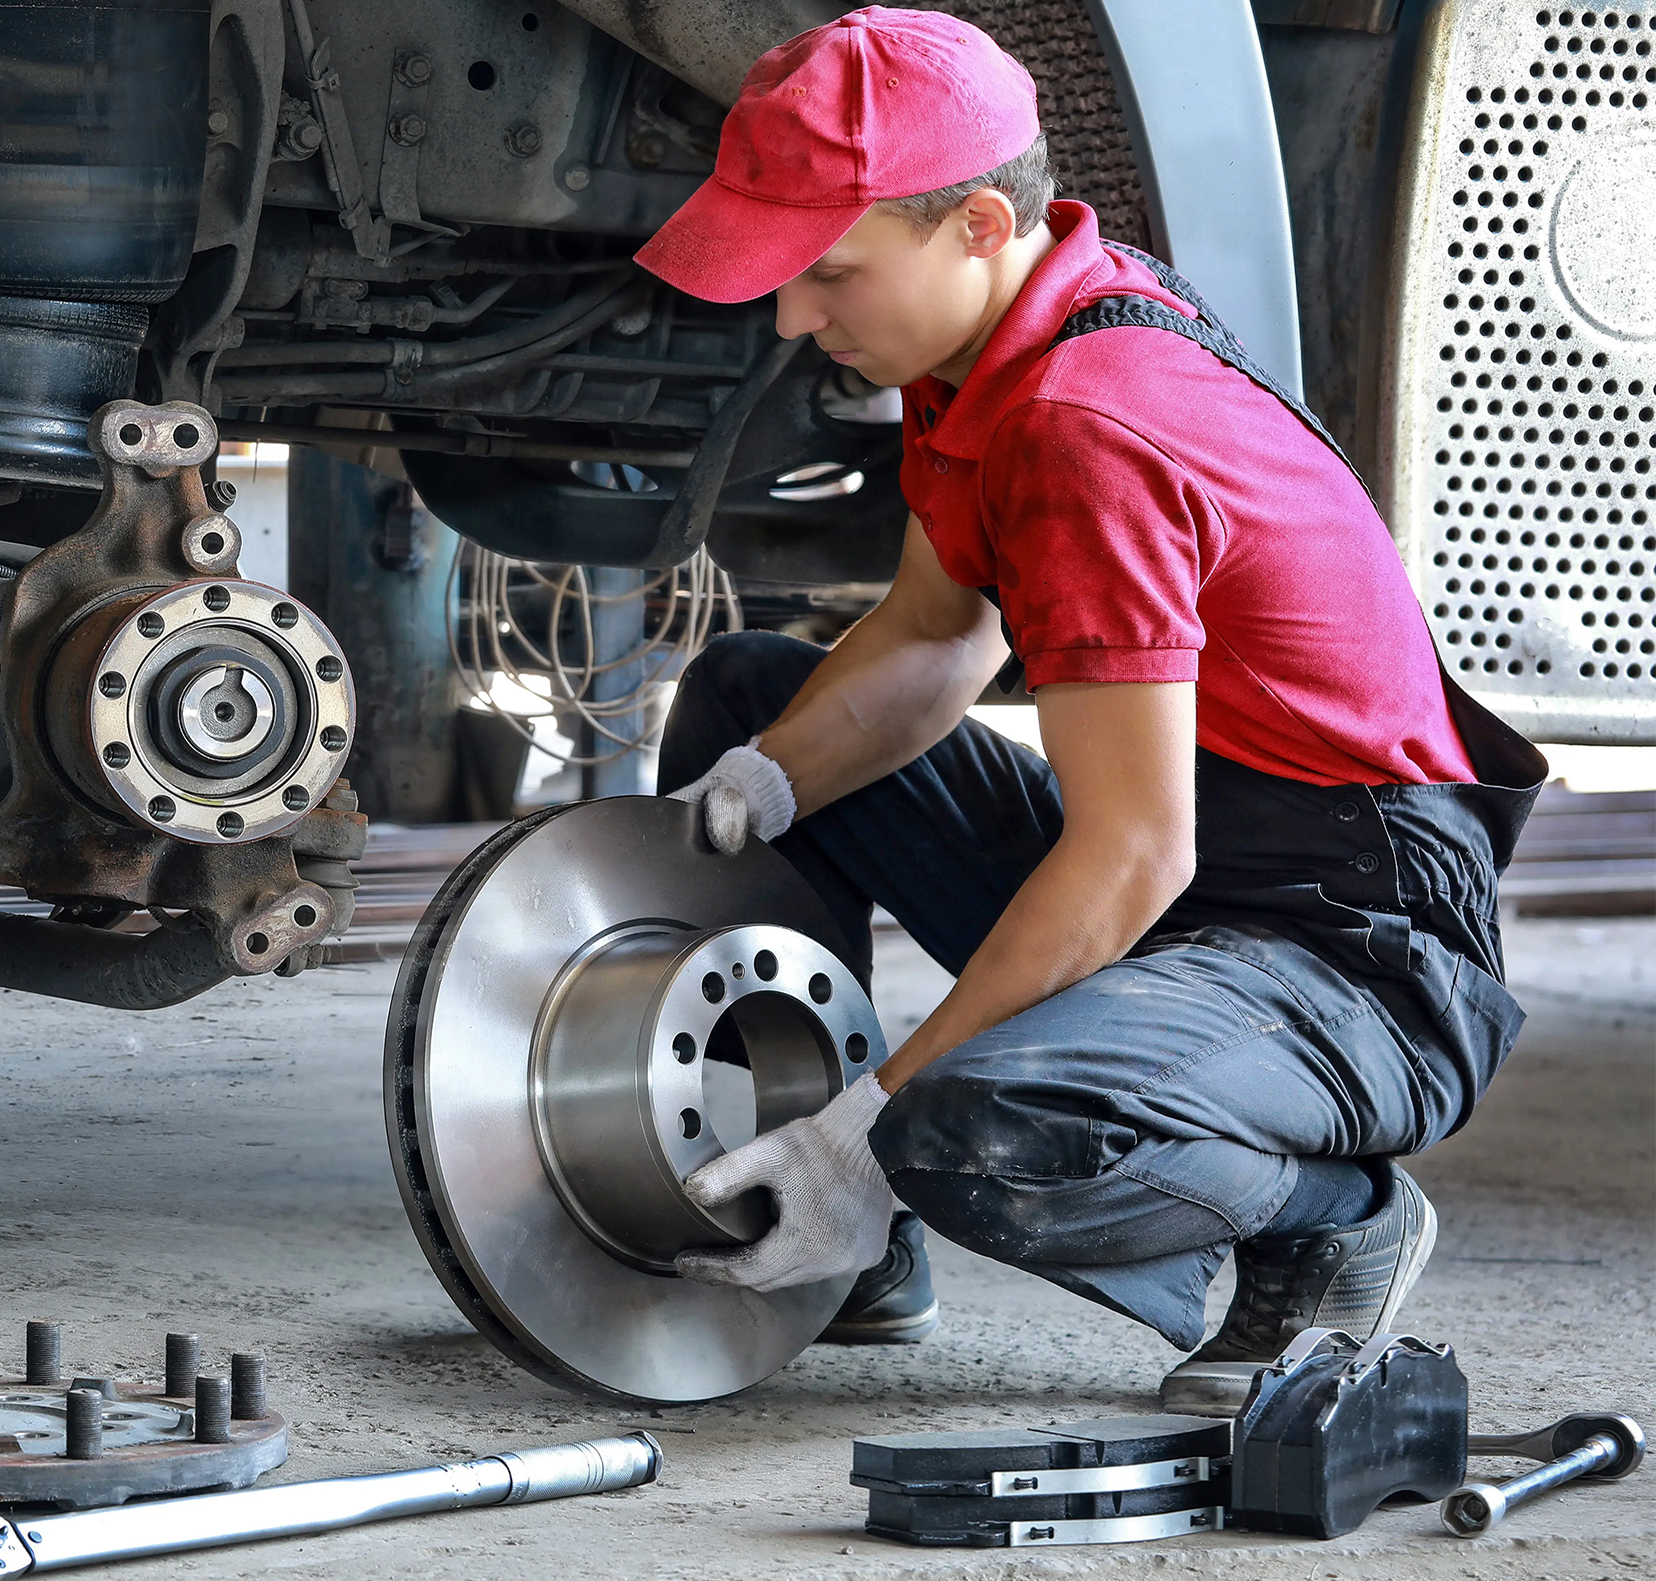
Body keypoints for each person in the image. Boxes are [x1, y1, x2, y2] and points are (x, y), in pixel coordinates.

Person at [635, 7, 1545, 1412]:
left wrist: (874, 1134)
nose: (794, 317)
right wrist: (768, 788)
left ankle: (1332, 1223)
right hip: (1205, 857)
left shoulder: (1085, 425)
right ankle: (832, 1226)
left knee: (972, 1135)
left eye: (829, 273)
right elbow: (939, 634)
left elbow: (1133, 857)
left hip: (1357, 944)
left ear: (979, 227)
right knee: (753, 703)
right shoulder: (991, 345)